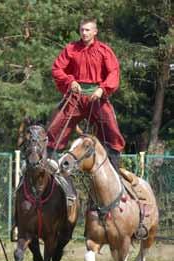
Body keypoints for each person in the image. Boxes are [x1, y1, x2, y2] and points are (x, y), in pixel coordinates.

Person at [48, 18, 125, 169]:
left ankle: (114, 168)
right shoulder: (71, 49)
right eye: (82, 30)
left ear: (95, 32)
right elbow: (57, 69)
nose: (84, 33)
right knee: (57, 125)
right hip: (75, 96)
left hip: (96, 96)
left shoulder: (104, 50)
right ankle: (50, 163)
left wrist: (102, 89)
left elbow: (114, 72)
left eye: (87, 30)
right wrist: (70, 81)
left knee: (111, 127)